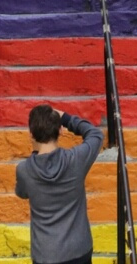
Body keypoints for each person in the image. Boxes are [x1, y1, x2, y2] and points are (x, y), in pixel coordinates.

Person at [15, 104, 104, 264]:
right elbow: (95, 134)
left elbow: (21, 193)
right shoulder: (76, 159)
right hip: (79, 249)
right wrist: (67, 119)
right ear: (61, 131)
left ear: (31, 134)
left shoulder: (24, 170)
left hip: (46, 254)